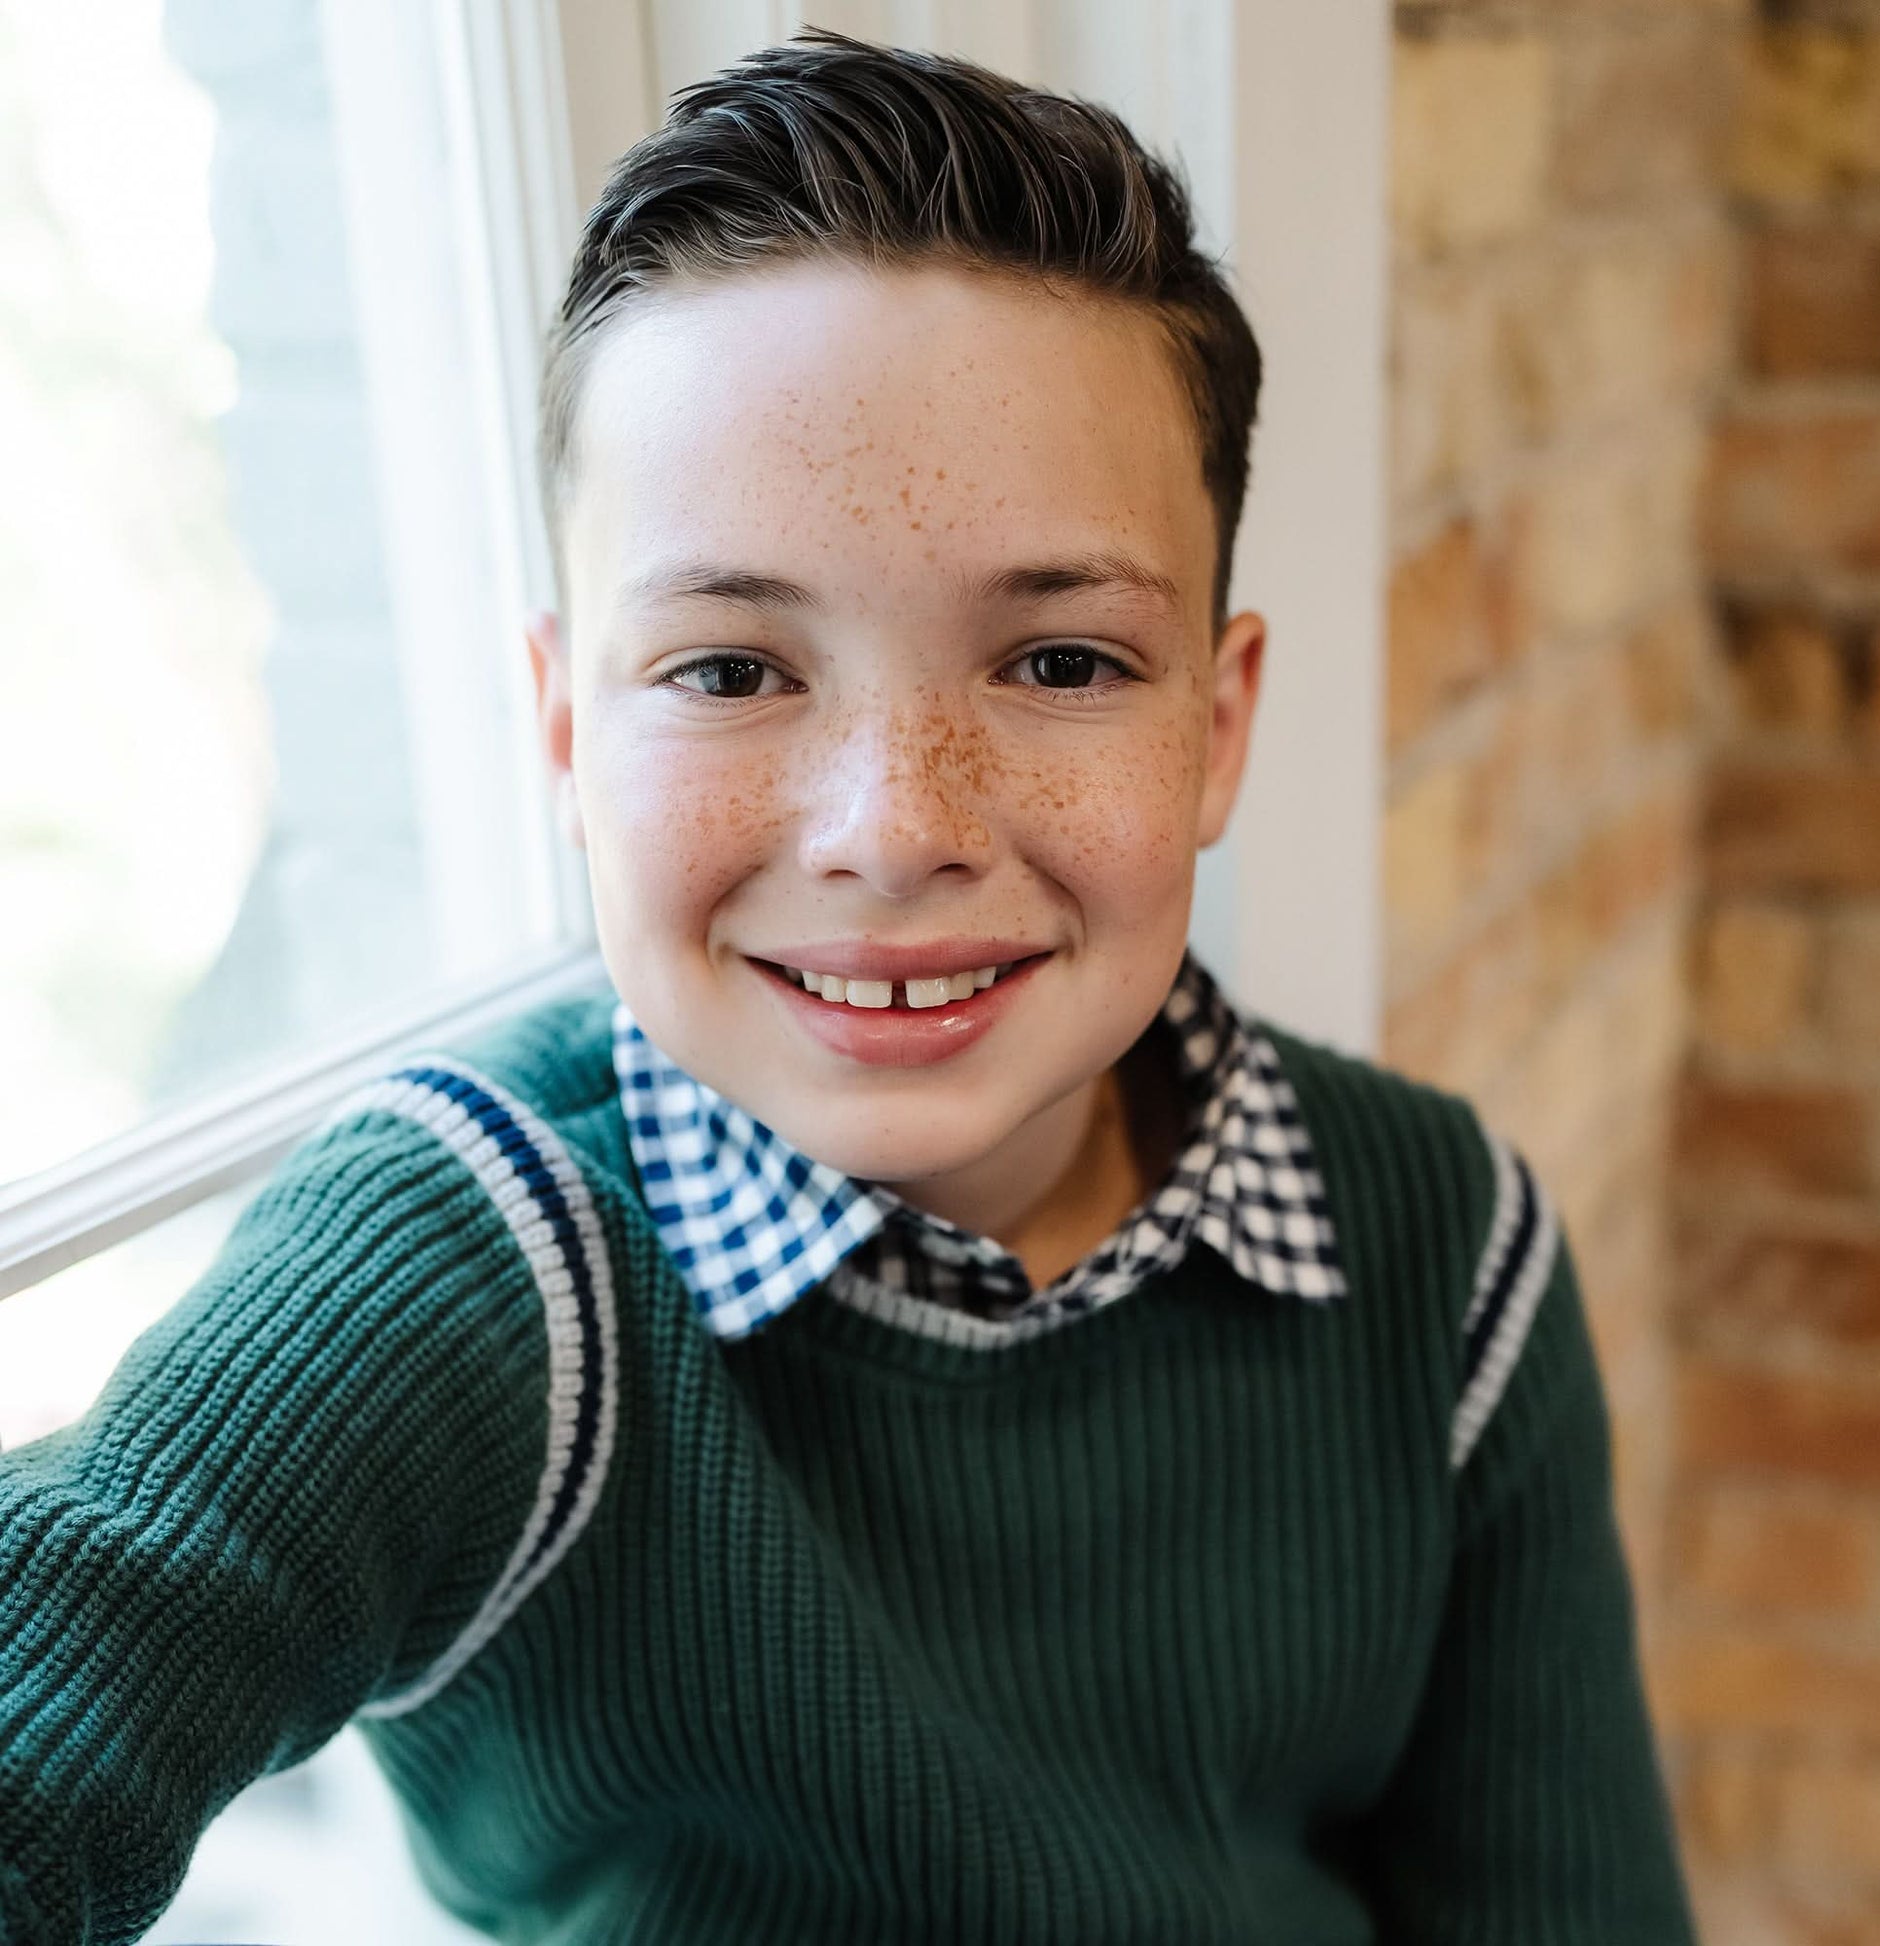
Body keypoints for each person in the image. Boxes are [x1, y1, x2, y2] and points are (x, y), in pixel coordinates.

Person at [0, 29, 1700, 1944]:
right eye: (731, 670)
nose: (894, 831)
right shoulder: (481, 1264)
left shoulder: (1443, 1245)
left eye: (1059, 663)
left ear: (1216, 728)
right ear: (566, 733)